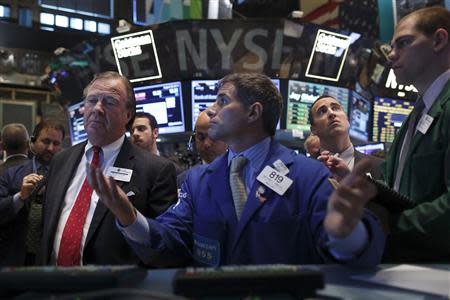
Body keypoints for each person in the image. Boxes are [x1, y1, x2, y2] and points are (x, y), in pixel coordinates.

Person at [86, 73, 384, 267]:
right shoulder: (198, 181)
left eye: (223, 101)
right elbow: (171, 238)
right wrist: (130, 219)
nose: (211, 110)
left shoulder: (308, 175)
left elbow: (342, 247)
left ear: (254, 112)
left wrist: (348, 233)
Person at [39, 71, 178, 266]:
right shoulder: (61, 160)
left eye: (109, 102)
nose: (97, 108)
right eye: (92, 100)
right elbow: (46, 228)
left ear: (128, 115)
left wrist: (130, 216)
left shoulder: (156, 170)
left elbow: (167, 249)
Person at [380, 6, 450, 262]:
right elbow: (399, 186)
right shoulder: (417, 114)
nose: (391, 55)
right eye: (391, 46)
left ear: (439, 40)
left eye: (404, 43)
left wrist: (389, 224)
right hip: (409, 266)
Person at [0, 120, 65, 266]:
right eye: (45, 141)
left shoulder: (67, 177)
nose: (50, 148)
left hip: (50, 258)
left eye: (56, 144)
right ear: (32, 141)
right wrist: (20, 197)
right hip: (14, 257)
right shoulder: (10, 174)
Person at [309, 95, 383, 181]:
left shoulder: (379, 166)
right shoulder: (303, 170)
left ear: (347, 119)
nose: (331, 113)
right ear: (314, 129)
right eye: (322, 111)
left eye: (335, 108)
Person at [177, 109, 227, 186]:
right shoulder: (184, 180)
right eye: (201, 137)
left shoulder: (242, 175)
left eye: (213, 137)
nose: (206, 144)